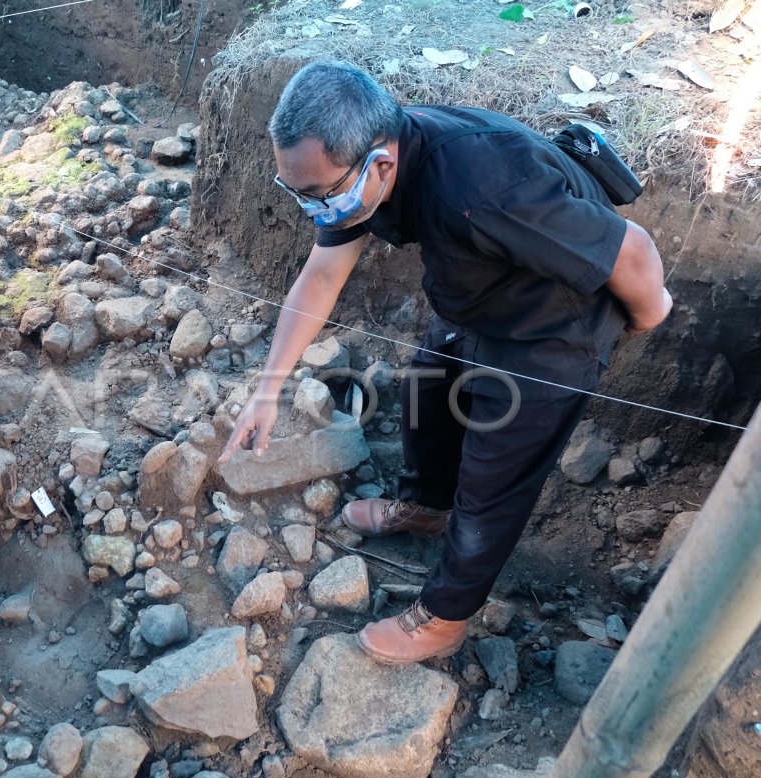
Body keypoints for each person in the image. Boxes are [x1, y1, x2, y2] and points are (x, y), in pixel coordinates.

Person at [217, 60, 671, 664]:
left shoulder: (481, 187)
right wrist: (268, 387)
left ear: (379, 165)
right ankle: (428, 507)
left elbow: (633, 252)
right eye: (294, 193)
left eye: (316, 195)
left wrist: (645, 319)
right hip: (479, 298)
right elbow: (322, 275)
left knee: (493, 479)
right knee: (425, 394)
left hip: (554, 328)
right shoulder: (370, 167)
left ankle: (445, 617)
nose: (311, 212)